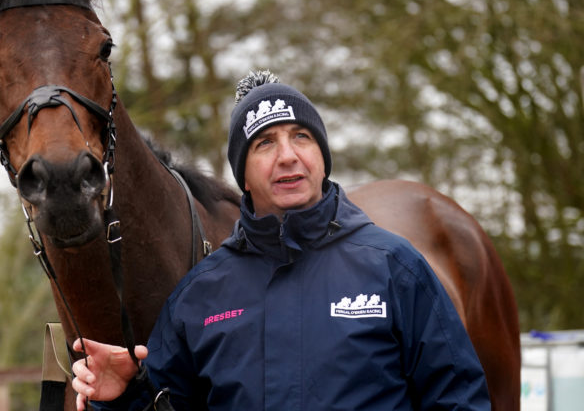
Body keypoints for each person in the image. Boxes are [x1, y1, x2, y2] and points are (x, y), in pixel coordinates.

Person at [71, 71, 490, 410]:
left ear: (322, 159)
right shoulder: (199, 297)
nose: (288, 155)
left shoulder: (395, 267)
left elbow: (458, 398)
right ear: (244, 177)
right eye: (265, 143)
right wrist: (123, 397)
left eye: (301, 137)